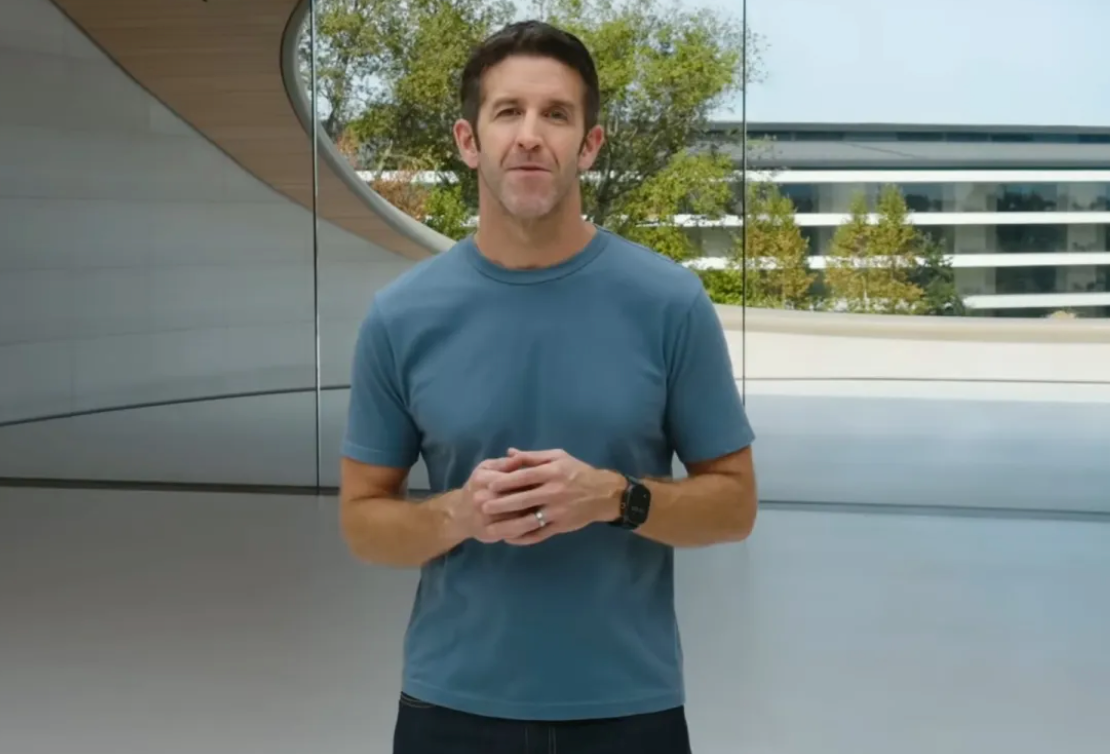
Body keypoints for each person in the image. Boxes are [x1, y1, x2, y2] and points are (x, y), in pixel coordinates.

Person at [339, 19, 758, 754]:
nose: (530, 136)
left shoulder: (670, 303)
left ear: (588, 145)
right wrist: (460, 513)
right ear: (469, 141)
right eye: (508, 111)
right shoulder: (401, 317)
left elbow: (734, 505)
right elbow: (362, 520)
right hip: (449, 708)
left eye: (556, 114)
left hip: (629, 710)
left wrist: (615, 498)